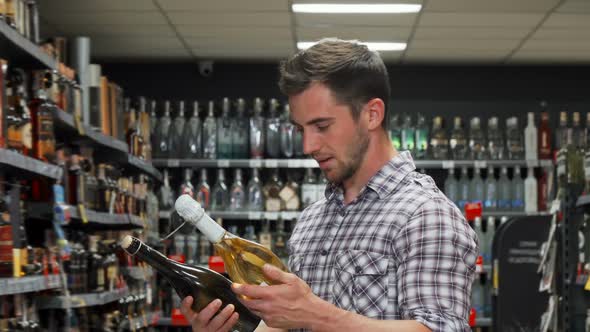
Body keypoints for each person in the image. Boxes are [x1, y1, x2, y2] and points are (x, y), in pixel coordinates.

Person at [180, 38, 478, 332]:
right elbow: (288, 325)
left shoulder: (427, 215)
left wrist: (317, 315)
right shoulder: (312, 220)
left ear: (372, 114)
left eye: (322, 126)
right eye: (301, 129)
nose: (308, 145)